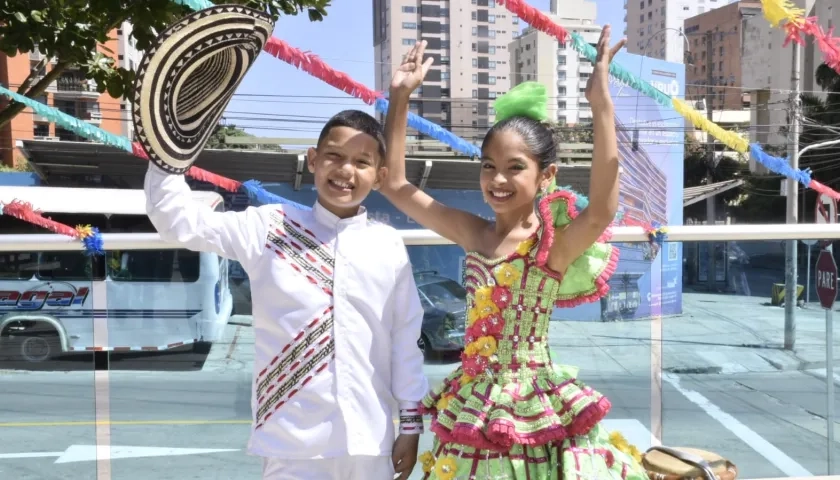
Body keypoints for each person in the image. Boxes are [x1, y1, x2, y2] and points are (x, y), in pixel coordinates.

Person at [380, 28, 649, 479]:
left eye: (514, 168)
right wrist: (400, 98)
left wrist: (600, 103)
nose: (498, 180)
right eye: (489, 167)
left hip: (532, 403)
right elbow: (394, 185)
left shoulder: (553, 244)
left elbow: (602, 209)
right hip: (473, 400)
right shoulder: (473, 232)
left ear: (547, 176)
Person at [145, 110, 428, 480]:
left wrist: (409, 425)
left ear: (379, 177)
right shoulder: (268, 227)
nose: (346, 171)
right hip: (291, 445)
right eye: (334, 156)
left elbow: (404, 339)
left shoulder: (387, 245)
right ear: (313, 159)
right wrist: (168, 147)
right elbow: (176, 221)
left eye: (362, 162)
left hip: (369, 442)